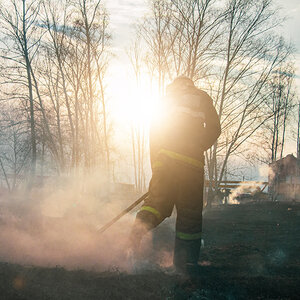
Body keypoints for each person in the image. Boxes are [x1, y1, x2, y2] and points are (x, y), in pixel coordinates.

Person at [129, 76, 221, 276]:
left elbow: (155, 137)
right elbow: (215, 129)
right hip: (192, 167)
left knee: (156, 204)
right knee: (189, 215)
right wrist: (197, 147)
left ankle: (135, 234)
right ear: (190, 85)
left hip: (165, 163)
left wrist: (158, 168)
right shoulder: (201, 97)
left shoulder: (164, 101)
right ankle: (184, 266)